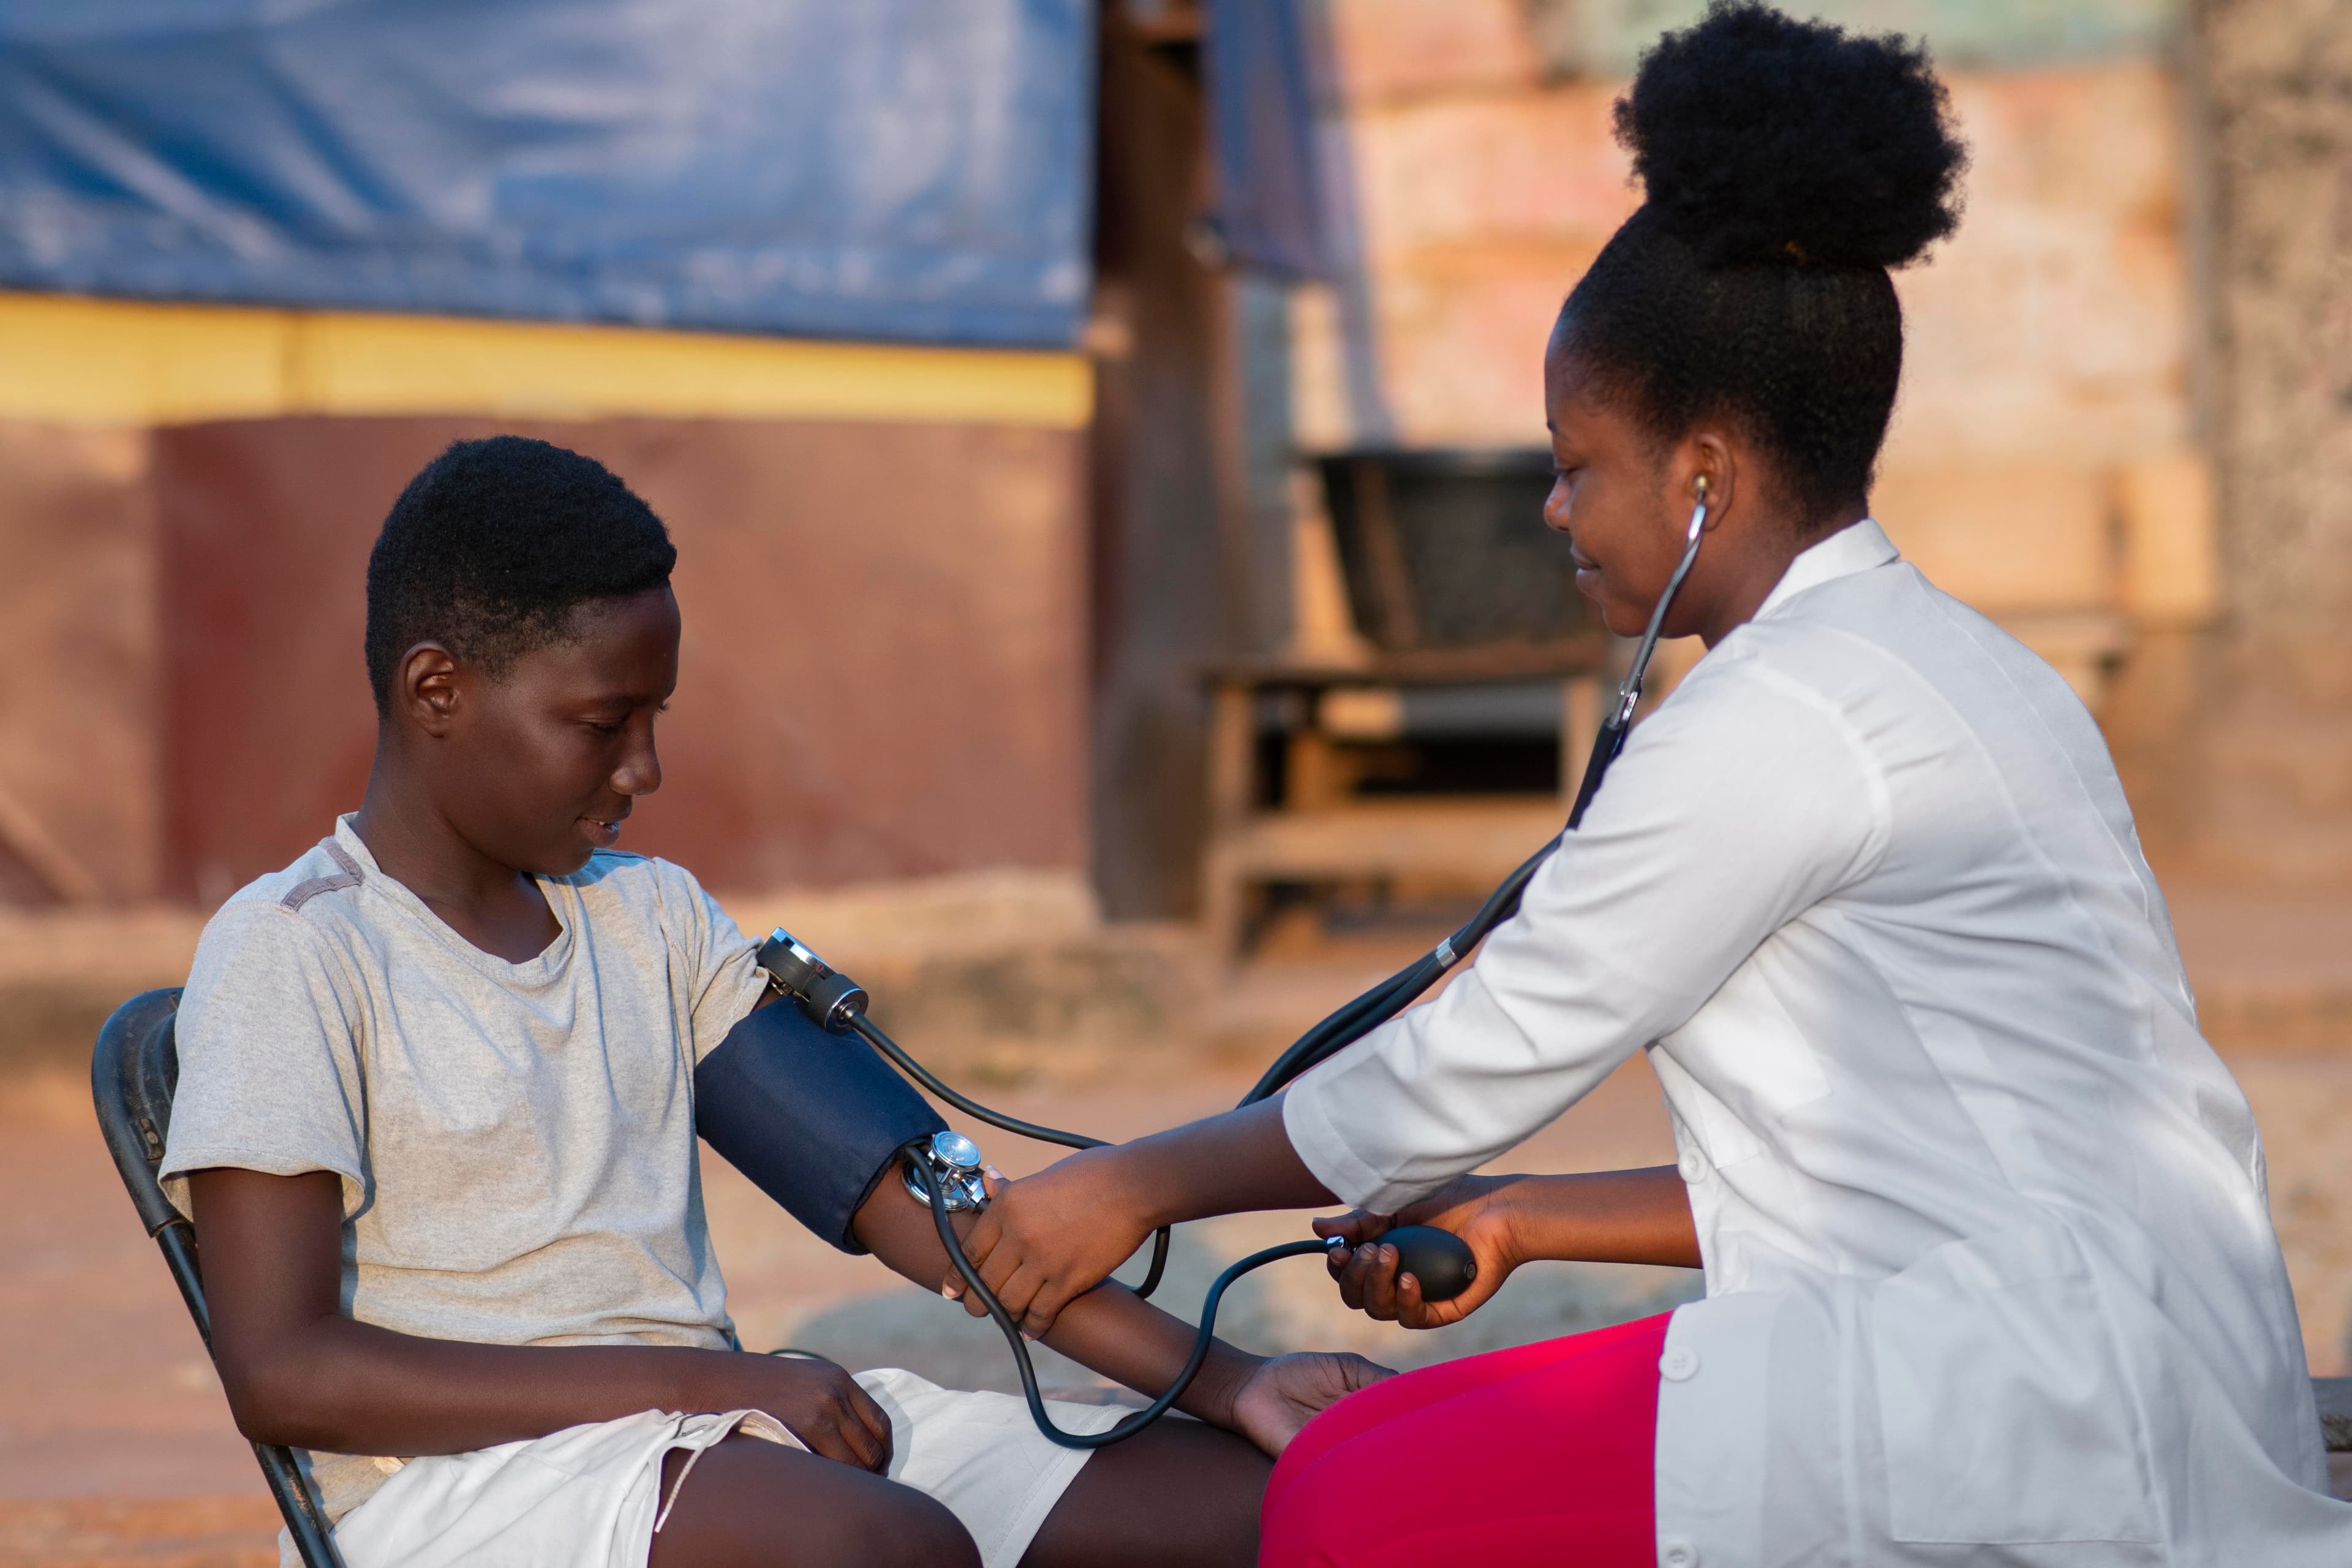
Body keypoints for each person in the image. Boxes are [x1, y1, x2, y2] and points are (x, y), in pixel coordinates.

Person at [937, 7, 2352, 1565]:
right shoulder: (1957, 664)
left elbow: (1479, 1053)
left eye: (1575, 462)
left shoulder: (1782, 716)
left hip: (2030, 1392)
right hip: (2116, 1342)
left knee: (1344, 1504)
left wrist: (1136, 1182)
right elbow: (1890, 1145)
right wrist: (1524, 1214)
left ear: (1702, 477)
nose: (1553, 509)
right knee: (1351, 1437)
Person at [159, 435, 1389, 1568]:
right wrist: (704, 1389)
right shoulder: (296, 950)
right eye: (603, 723)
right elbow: (285, 1372)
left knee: (1272, 1501)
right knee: (883, 1547)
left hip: (709, 1437)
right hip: (459, 1495)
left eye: (655, 718)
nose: (645, 768)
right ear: (437, 690)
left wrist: (1232, 1382)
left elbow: (938, 1218)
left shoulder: (651, 918)